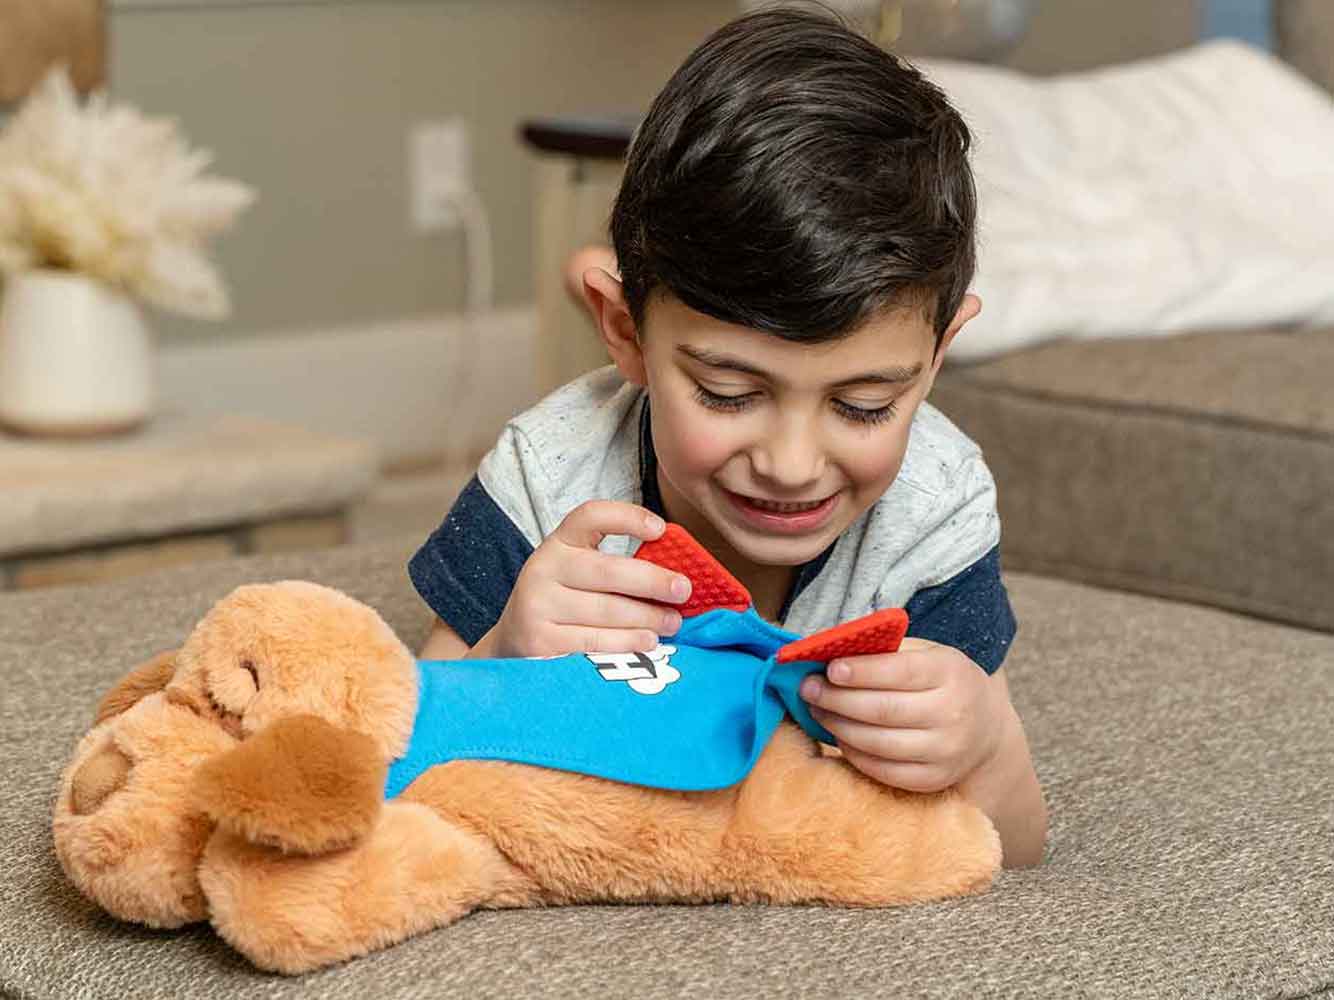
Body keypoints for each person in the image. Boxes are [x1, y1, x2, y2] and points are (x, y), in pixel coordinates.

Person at [410, 6, 1047, 867]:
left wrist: (985, 745)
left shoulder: (933, 506)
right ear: (623, 330)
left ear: (936, 358)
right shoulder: (550, 473)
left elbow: (1021, 849)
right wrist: (506, 654)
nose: (790, 465)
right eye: (728, 392)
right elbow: (404, 755)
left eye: (862, 406)